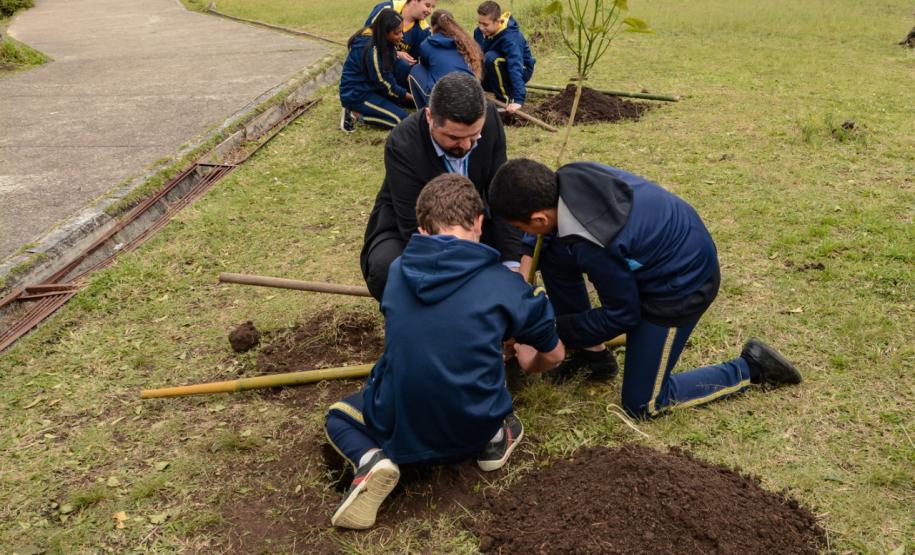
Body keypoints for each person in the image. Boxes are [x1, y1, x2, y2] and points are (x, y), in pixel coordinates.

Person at [326, 174, 565, 529]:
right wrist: (531, 362)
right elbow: (555, 354)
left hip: (399, 431)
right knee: (494, 387)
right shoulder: (507, 286)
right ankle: (495, 441)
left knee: (339, 416)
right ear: (481, 224)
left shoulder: (396, 271)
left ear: (422, 230)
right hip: (472, 428)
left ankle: (371, 458)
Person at [488, 159, 803, 418]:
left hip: (680, 286)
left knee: (643, 405)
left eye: (520, 228)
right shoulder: (566, 177)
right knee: (554, 253)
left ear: (540, 217)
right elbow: (541, 240)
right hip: (654, 248)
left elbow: (622, 315)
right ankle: (591, 357)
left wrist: (549, 333)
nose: (522, 235)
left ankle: (753, 367)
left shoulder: (596, 242)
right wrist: (522, 289)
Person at [360, 72, 523, 300]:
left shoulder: (491, 123)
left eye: (474, 136)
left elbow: (500, 194)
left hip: (473, 220)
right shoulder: (403, 144)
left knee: (522, 244)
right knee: (386, 270)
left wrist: (511, 265)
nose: (466, 145)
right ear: (429, 117)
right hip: (413, 228)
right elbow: (411, 223)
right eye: (454, 138)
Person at [340, 9, 414, 132]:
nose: (401, 36)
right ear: (384, 32)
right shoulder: (371, 49)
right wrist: (414, 97)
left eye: (402, 31)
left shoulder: (379, 37)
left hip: (371, 84)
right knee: (403, 120)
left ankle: (392, 102)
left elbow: (386, 67)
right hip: (358, 94)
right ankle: (355, 114)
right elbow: (386, 85)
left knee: (402, 65)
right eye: (397, 33)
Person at [408, 10, 483, 110]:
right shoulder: (465, 43)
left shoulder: (427, 44)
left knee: (417, 68)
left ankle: (424, 113)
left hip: (445, 103)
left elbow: (425, 66)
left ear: (433, 27)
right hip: (471, 98)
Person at [474, 1, 536, 114]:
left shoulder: (510, 38)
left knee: (491, 58)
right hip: (496, 68)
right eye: (479, 23)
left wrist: (519, 99)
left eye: (485, 24)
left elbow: (515, 65)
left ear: (498, 21)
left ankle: (506, 99)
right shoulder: (479, 32)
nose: (481, 28)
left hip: (520, 69)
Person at [364, 0, 437, 87]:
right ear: (414, 1)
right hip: (371, 63)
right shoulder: (385, 8)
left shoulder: (424, 31)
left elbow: (416, 63)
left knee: (405, 65)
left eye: (432, 7)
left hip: (394, 75)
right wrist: (395, 53)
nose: (430, 11)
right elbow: (364, 40)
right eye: (427, 5)